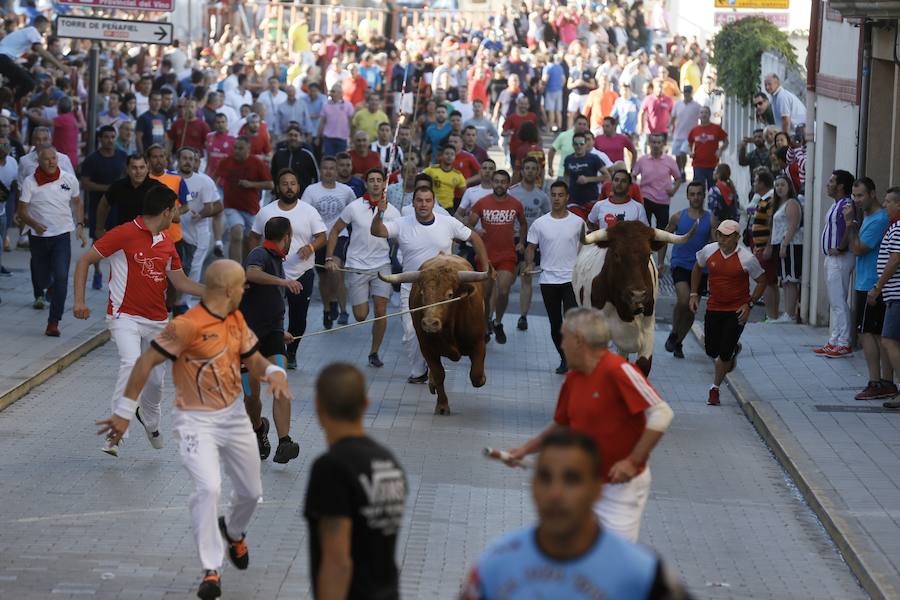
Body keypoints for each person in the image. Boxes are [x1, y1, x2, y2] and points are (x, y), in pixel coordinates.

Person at [96, 260, 291, 600]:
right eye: (242, 286)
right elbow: (145, 362)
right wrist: (125, 413)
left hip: (232, 418)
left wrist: (272, 372)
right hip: (194, 421)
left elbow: (254, 360)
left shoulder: (236, 319)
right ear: (228, 290)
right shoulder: (185, 326)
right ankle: (211, 570)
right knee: (209, 489)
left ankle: (232, 531)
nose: (246, 291)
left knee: (250, 492)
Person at [503, 307, 674, 542]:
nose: (561, 345)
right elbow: (561, 424)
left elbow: (662, 413)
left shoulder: (619, 370)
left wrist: (632, 462)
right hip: (584, 484)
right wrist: (525, 450)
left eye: (564, 338)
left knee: (614, 560)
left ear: (579, 341)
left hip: (620, 489)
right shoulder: (573, 378)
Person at [464, 430, 689, 599]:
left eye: (572, 480)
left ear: (597, 490)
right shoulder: (495, 565)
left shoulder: (642, 573)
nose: (555, 494)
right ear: (532, 486)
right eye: (544, 478)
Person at [73, 185, 205, 455]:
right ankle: (115, 434)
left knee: (156, 382)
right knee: (131, 362)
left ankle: (151, 423)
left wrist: (217, 292)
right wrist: (79, 301)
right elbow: (84, 260)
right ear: (167, 211)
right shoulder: (123, 233)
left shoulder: (167, 241)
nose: (177, 214)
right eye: (175, 210)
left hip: (157, 321)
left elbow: (180, 281)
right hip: (124, 316)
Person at [304, 363, 407, 599]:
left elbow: (338, 563)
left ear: (319, 407)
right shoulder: (389, 463)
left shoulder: (331, 468)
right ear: (365, 405)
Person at [371, 186, 489, 383]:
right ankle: (420, 372)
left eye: (427, 200)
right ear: (413, 203)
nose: (423, 204)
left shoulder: (447, 222)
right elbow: (377, 231)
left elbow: (474, 237)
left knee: (448, 326)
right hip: (414, 285)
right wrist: (379, 213)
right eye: (419, 200)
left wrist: (485, 267)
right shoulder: (402, 223)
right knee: (411, 331)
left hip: (445, 288)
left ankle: (433, 366)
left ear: (434, 203)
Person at [239, 216, 301, 463]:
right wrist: (283, 281)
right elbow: (251, 274)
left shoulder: (277, 259)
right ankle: (257, 430)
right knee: (251, 395)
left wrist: (280, 330)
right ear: (286, 236)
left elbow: (267, 301)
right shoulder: (260, 253)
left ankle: (284, 442)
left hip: (274, 334)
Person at [251, 169, 327, 370]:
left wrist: (310, 247)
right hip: (272, 274)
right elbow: (252, 236)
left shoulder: (308, 211)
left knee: (299, 316)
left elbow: (322, 236)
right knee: (271, 313)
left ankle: (291, 352)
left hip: (302, 272)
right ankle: (274, 351)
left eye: (293, 183)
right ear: (278, 187)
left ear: (298, 187)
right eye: (284, 183)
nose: (289, 187)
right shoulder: (266, 211)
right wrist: (254, 258)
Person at [327, 168, 401, 367]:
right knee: (360, 316)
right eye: (372, 180)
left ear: (384, 184)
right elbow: (335, 231)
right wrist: (329, 258)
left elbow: (401, 239)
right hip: (357, 265)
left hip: (382, 265)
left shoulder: (393, 211)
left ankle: (374, 352)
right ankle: (362, 302)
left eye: (379, 180)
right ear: (366, 184)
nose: (376, 183)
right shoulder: (353, 207)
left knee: (381, 309)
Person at [690, 220, 767, 406]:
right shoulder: (709, 251)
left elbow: (762, 281)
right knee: (711, 350)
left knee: (723, 354)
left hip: (736, 310)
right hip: (714, 307)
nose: (722, 239)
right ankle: (731, 353)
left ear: (737, 238)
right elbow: (697, 267)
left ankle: (714, 390)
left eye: (727, 235)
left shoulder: (746, 258)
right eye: (720, 234)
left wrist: (749, 304)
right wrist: (694, 293)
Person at [17, 147, 86, 336]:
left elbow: (77, 202)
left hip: (62, 235)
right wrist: (34, 224)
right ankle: (49, 284)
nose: (51, 162)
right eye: (46, 159)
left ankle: (53, 322)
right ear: (39, 162)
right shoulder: (30, 182)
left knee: (62, 276)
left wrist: (80, 224)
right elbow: (22, 210)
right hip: (38, 237)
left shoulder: (68, 179)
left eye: (53, 158)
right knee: (42, 279)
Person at [525, 181, 583, 373]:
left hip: (571, 280)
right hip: (548, 280)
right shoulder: (540, 223)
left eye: (560, 195)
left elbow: (585, 246)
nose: (557, 198)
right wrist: (529, 263)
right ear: (550, 196)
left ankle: (574, 356)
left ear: (567, 197)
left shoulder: (578, 222)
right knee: (555, 323)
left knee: (570, 321)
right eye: (554, 195)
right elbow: (531, 247)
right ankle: (564, 358)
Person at [845, 179, 895, 400]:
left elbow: (857, 249)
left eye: (860, 196)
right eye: (854, 196)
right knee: (876, 334)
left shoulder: (878, 220)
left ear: (872, 194)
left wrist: (849, 224)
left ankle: (877, 382)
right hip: (867, 282)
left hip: (871, 284)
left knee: (868, 334)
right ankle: (885, 382)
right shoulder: (868, 217)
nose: (856, 200)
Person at [468, 170, 527, 344]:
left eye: (503, 181)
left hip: (507, 255)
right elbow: (468, 224)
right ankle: (486, 324)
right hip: (485, 256)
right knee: (485, 295)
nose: (500, 184)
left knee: (503, 290)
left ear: (508, 184)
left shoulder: (516, 204)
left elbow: (523, 223)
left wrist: (521, 242)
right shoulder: (482, 203)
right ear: (492, 183)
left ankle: (498, 322)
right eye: (497, 181)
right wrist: (476, 231)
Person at [302, 156, 357, 329]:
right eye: (325, 168)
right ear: (320, 170)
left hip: (340, 236)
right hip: (318, 238)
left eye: (332, 168)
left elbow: (355, 212)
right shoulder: (311, 190)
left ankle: (342, 309)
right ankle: (327, 308)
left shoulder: (346, 190)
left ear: (336, 171)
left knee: (336, 268)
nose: (328, 171)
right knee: (324, 277)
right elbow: (304, 213)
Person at [664, 180, 711, 358]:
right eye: (692, 194)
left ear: (703, 196)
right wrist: (661, 263)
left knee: (692, 308)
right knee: (684, 300)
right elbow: (664, 239)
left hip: (700, 269)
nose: (696, 197)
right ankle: (674, 332)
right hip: (680, 264)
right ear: (687, 196)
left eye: (699, 194)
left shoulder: (710, 219)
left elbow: (716, 245)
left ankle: (678, 342)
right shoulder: (678, 217)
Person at [80, 125, 127, 289]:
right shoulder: (92, 159)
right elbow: (85, 183)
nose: (109, 140)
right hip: (97, 206)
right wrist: (107, 189)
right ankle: (98, 271)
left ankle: (117, 275)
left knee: (119, 242)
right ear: (100, 139)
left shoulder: (122, 156)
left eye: (112, 137)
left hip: (118, 206)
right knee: (99, 240)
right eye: (106, 137)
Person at [815, 170, 856, 357]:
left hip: (840, 258)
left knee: (839, 301)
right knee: (835, 301)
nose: (827, 184)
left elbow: (850, 226)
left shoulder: (846, 203)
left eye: (831, 181)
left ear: (840, 186)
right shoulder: (837, 204)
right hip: (832, 259)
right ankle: (834, 340)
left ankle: (843, 342)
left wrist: (840, 247)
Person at [216, 137, 273, 261]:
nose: (236, 151)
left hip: (251, 208)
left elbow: (270, 184)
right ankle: (234, 270)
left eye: (240, 148)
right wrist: (213, 195)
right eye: (235, 148)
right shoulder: (226, 161)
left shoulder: (256, 163)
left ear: (248, 148)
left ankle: (247, 269)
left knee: (250, 242)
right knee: (236, 233)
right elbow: (215, 178)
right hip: (231, 205)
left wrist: (251, 184)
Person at [510, 157, 550, 331]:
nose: (531, 171)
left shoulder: (541, 196)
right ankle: (494, 317)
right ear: (522, 171)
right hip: (512, 239)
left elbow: (550, 217)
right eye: (527, 168)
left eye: (534, 168)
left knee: (527, 279)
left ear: (538, 172)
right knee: (508, 281)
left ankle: (523, 317)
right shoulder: (512, 192)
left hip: (532, 242)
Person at [869, 187, 900, 409]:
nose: (885, 205)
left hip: (896, 294)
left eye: (889, 201)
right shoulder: (893, 227)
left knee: (889, 340)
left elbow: (895, 259)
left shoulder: (898, 227)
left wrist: (878, 287)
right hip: (893, 294)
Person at [178, 147, 222, 301]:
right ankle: (173, 302)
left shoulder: (205, 181)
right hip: (174, 231)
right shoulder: (171, 178)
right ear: (178, 160)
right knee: (177, 268)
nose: (189, 162)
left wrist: (201, 214)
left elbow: (217, 207)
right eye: (185, 158)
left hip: (198, 232)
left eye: (192, 159)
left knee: (193, 269)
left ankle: (185, 304)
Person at [633, 133, 681, 267]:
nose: (655, 145)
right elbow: (633, 175)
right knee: (644, 232)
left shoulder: (669, 161)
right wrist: (635, 190)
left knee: (662, 233)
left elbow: (678, 178)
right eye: (653, 142)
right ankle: (645, 261)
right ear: (649, 144)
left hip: (663, 200)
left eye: (658, 142)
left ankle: (660, 264)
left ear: (663, 144)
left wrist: (673, 190)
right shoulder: (642, 160)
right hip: (645, 199)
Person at [0, 16, 64, 100]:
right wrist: (60, 65)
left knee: (27, 78)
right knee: (29, 83)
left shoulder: (27, 32)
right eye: (46, 27)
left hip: (4, 58)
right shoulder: (33, 31)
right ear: (41, 24)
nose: (46, 31)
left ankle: (4, 97)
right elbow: (41, 51)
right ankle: (7, 104)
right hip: (3, 58)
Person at [768, 174, 803, 323]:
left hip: (791, 245)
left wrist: (784, 244)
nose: (779, 188)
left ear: (789, 186)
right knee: (786, 280)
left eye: (782, 184)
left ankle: (790, 313)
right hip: (780, 244)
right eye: (777, 185)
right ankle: (788, 313)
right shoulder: (779, 204)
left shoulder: (792, 203)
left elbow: (793, 226)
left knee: (791, 279)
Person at [748, 169, 780, 322]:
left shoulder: (770, 199)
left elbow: (772, 225)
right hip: (760, 246)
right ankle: (772, 315)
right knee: (770, 282)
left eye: (755, 181)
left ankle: (771, 316)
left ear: (761, 183)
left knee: (767, 282)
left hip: (766, 248)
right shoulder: (763, 199)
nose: (754, 184)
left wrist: (768, 246)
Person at [687, 106, 728, 190]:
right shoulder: (694, 130)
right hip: (698, 165)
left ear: (709, 114)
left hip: (713, 165)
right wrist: (690, 152)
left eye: (706, 112)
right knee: (699, 190)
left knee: (713, 190)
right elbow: (689, 144)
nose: (703, 114)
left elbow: (726, 142)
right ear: (699, 115)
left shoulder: (716, 128)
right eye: (701, 112)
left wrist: (720, 150)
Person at [270, 124, 319, 192]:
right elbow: (273, 174)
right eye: (290, 135)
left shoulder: (307, 155)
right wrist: (276, 189)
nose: (293, 138)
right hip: (282, 195)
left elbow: (316, 176)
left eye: (296, 135)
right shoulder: (279, 154)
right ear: (286, 136)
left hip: (302, 196)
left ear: (300, 138)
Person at [563, 132, 607, 209]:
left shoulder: (594, 158)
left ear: (586, 144)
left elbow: (607, 176)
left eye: (581, 143)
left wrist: (588, 179)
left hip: (591, 200)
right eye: (576, 144)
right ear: (573, 145)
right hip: (573, 201)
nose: (579, 146)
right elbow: (566, 175)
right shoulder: (568, 159)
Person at [668, 84, 700, 178]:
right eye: (685, 92)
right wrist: (669, 126)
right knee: (677, 155)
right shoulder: (677, 104)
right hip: (678, 134)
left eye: (688, 92)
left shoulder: (697, 106)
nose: (686, 94)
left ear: (691, 93)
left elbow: (701, 118)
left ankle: (683, 170)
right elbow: (673, 117)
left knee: (683, 152)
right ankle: (680, 172)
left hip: (690, 135)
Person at [423, 145, 467, 212]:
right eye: (447, 154)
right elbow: (419, 178)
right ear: (442, 155)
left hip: (448, 209)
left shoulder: (458, 175)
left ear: (455, 157)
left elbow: (466, 195)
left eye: (452, 154)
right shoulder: (431, 170)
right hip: (432, 207)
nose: (449, 156)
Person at [548, 114, 590, 179]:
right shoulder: (564, 135)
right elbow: (552, 150)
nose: (582, 126)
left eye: (584, 124)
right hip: (563, 174)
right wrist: (550, 167)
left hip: (582, 177)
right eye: (580, 124)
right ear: (574, 124)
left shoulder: (589, 138)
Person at [319, 84, 354, 157]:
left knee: (340, 159)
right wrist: (318, 136)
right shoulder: (326, 105)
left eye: (333, 91)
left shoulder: (348, 105)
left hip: (343, 138)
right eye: (331, 91)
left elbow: (351, 121)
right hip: (328, 138)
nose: (331, 93)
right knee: (329, 159)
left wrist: (351, 136)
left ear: (340, 93)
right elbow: (322, 122)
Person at [134, 91, 168, 155]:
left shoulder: (163, 117)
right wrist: (142, 154)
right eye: (155, 100)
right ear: (149, 101)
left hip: (160, 154)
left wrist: (165, 152)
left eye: (159, 100)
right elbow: (138, 138)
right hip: (147, 154)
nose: (157, 102)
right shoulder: (143, 118)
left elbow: (165, 136)